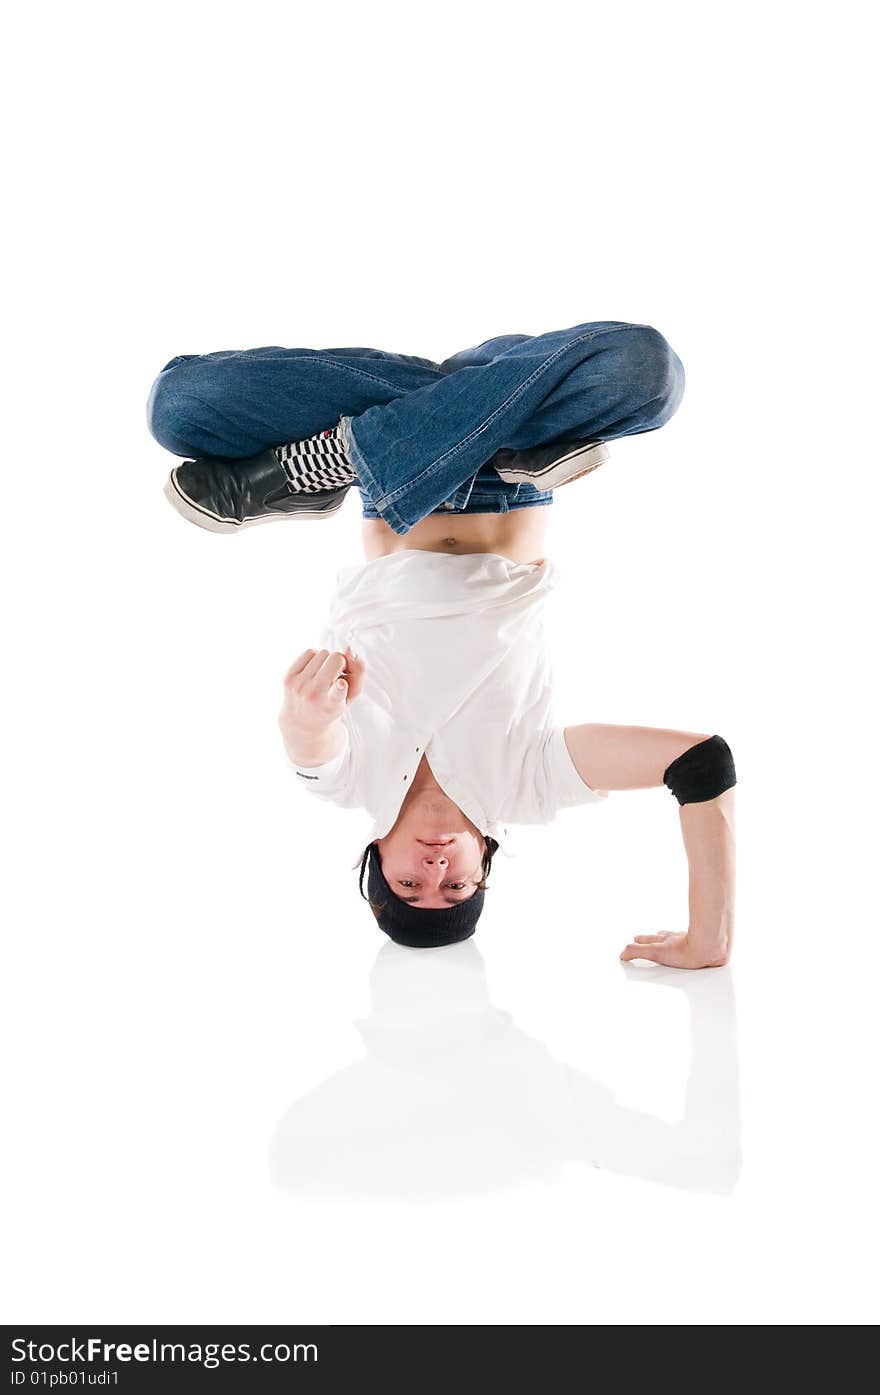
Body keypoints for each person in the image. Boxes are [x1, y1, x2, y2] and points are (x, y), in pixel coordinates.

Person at [146, 320, 736, 964]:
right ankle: (441, 434)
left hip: (396, 498)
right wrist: (710, 936)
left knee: (181, 405)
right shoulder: (529, 786)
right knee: (646, 373)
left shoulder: (345, 782)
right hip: (511, 480)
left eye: (409, 885)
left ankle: (389, 444)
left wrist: (304, 711)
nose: (434, 869)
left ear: (374, 861)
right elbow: (701, 763)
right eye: (456, 886)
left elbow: (310, 742)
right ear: (485, 861)